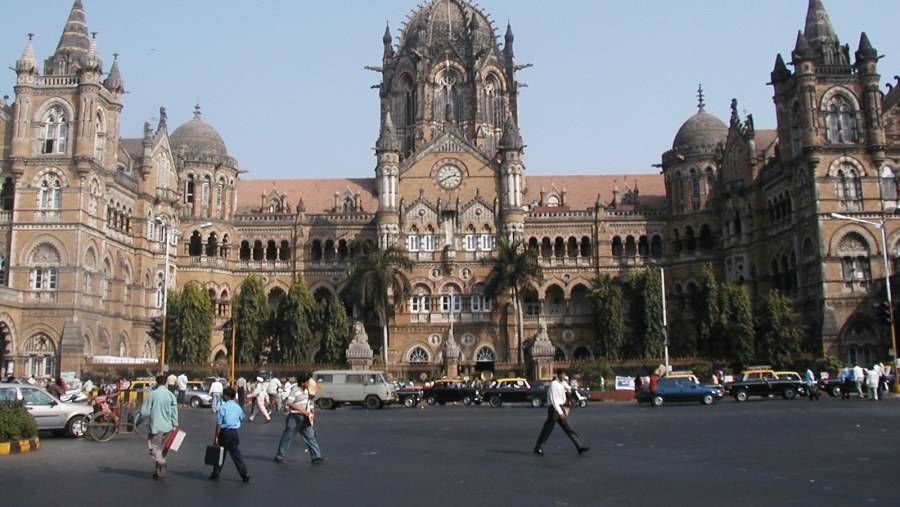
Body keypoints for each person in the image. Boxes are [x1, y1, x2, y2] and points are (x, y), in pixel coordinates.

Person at [533, 369, 589, 457]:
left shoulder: (563, 383)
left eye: (564, 375)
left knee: (569, 428)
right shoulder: (554, 384)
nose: (563, 376)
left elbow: (570, 389)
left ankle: (580, 446)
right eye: (562, 375)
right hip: (554, 409)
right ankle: (538, 447)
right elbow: (554, 399)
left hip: (561, 407)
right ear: (558, 375)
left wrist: (572, 386)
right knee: (548, 429)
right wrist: (560, 412)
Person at [274, 373, 325, 464]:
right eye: (306, 382)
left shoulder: (306, 390)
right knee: (288, 437)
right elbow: (289, 403)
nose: (308, 384)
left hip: (305, 417)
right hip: (295, 417)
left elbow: (308, 403)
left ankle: (316, 456)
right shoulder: (295, 390)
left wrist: (310, 415)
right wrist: (302, 411)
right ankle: (279, 456)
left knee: (310, 437)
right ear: (302, 383)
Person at [139, 375, 179, 479]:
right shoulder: (171, 395)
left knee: (154, 449)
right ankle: (160, 471)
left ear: (157, 383)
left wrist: (139, 420)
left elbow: (144, 411)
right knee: (163, 450)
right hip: (168, 427)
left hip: (155, 427)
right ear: (166, 383)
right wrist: (175, 425)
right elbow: (174, 412)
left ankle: (161, 463)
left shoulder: (152, 395)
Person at [209, 387, 250, 483]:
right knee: (236, 453)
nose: (223, 397)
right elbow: (241, 417)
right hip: (234, 432)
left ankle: (216, 473)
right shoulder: (237, 406)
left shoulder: (223, 407)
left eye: (224, 395)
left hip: (225, 432)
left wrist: (216, 437)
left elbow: (219, 424)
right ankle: (244, 473)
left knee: (220, 453)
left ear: (227, 396)